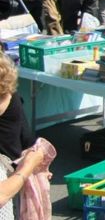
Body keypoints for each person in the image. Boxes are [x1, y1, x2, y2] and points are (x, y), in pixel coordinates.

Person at [0, 56, 48, 217]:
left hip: (12, 168)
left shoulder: (11, 97)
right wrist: (27, 167)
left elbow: (25, 134)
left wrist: (36, 163)